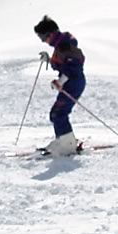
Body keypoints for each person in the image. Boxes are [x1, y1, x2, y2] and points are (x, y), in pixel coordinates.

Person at [34, 15, 86, 156]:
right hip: (72, 82)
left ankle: (67, 146)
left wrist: (61, 81)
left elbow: (72, 66)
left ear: (50, 34)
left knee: (59, 113)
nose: (44, 41)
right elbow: (63, 63)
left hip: (74, 83)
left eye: (43, 37)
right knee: (57, 114)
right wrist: (49, 60)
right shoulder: (61, 44)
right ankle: (64, 141)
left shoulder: (64, 45)